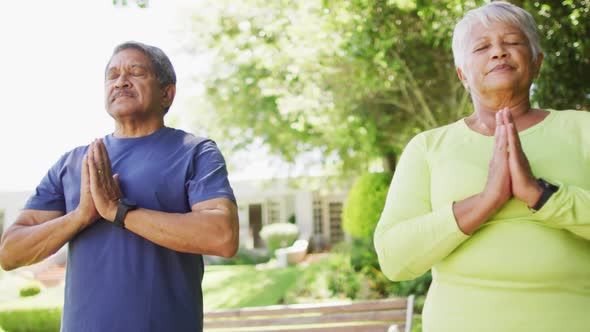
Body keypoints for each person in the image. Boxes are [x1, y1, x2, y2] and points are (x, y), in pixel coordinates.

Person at [374, 2, 590, 331]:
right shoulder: (428, 147)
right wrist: (487, 200)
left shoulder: (582, 129)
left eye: (513, 43)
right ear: (462, 74)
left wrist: (539, 194)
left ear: (537, 63)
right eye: (482, 46)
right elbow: (394, 258)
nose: (499, 52)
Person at [0, 41, 239, 332]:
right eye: (112, 76)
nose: (121, 81)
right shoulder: (74, 162)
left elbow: (222, 236)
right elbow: (10, 253)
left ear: (167, 93)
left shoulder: (195, 152)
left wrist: (120, 212)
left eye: (136, 72)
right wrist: (80, 216)